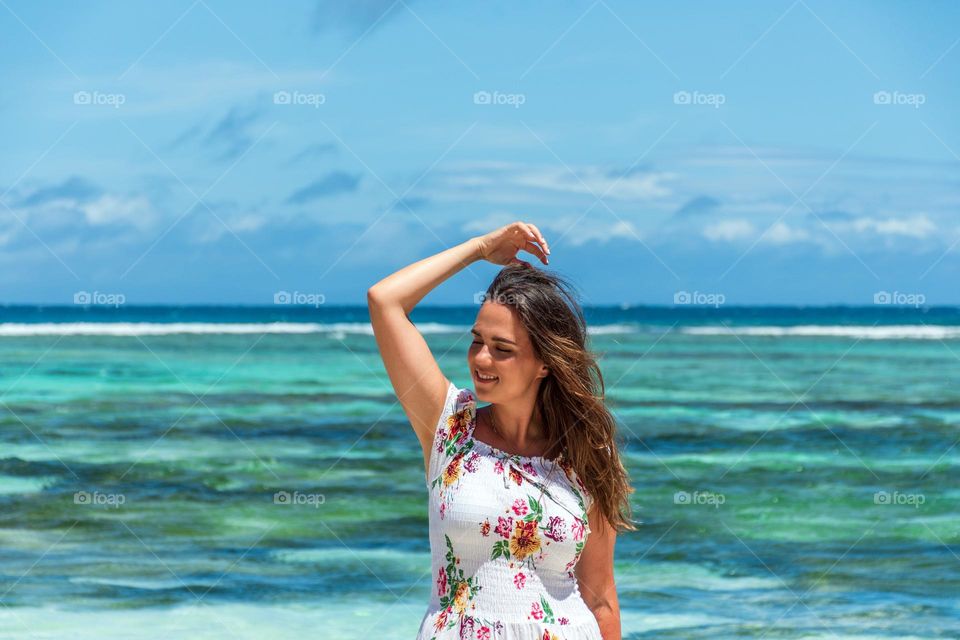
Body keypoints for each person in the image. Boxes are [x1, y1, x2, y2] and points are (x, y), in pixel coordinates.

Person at [368, 221, 636, 639]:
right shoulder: (450, 428)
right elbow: (385, 300)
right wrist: (479, 248)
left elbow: (600, 597)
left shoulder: (586, 455)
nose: (481, 359)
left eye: (503, 349)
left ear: (545, 364)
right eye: (477, 340)